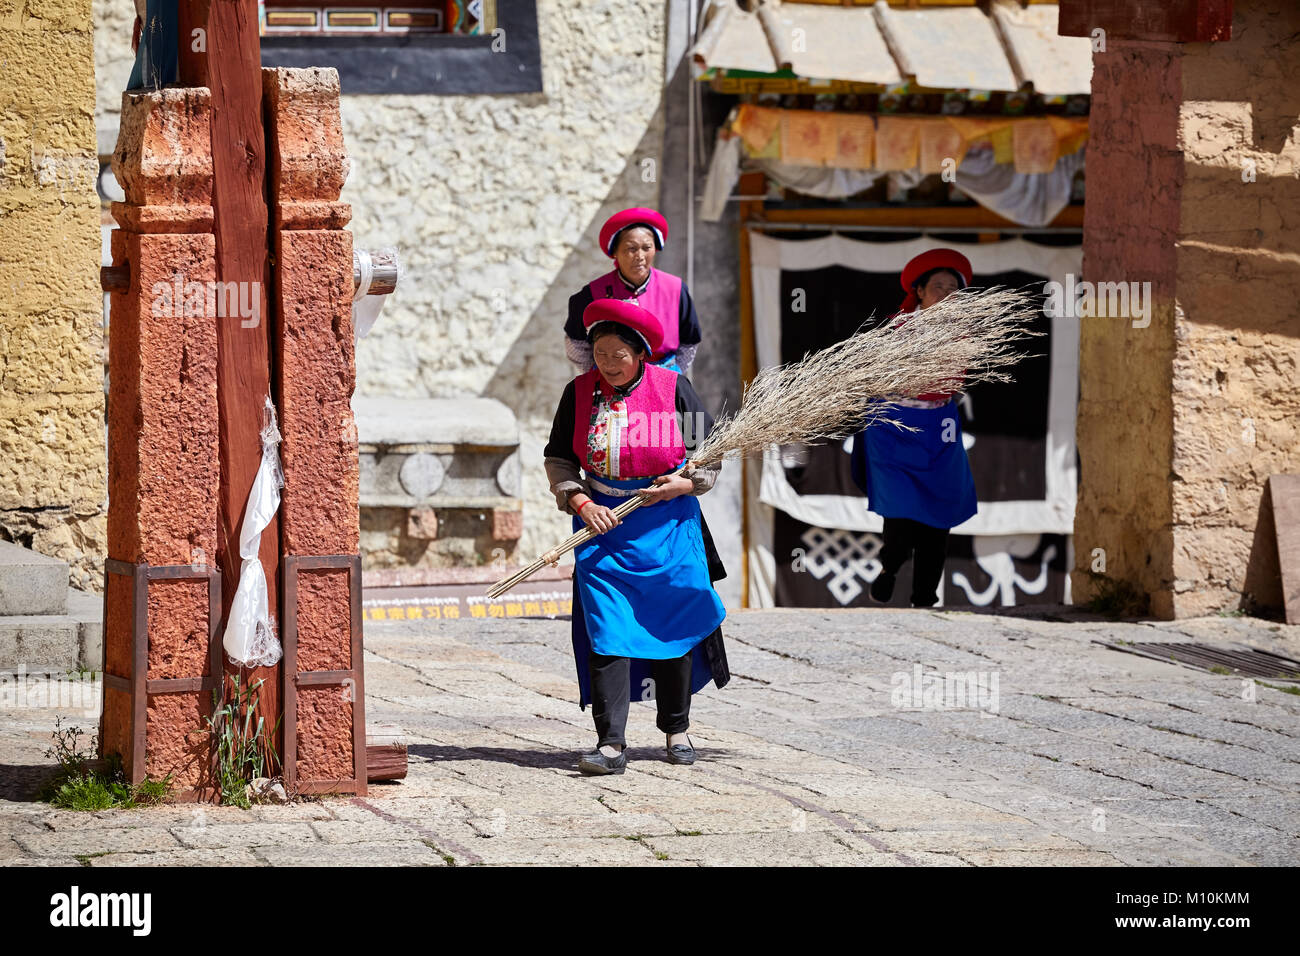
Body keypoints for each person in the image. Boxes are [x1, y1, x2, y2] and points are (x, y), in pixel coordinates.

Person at [544, 298, 729, 775]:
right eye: (600, 353)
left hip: (669, 523)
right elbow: (560, 458)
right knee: (609, 632)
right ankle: (610, 744)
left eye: (618, 354)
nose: (608, 363)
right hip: (603, 526)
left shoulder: (674, 388)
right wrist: (581, 502)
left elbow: (708, 453)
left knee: (675, 624)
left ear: (641, 353)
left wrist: (686, 483)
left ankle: (676, 728)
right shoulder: (579, 393)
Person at [850, 248, 979, 608]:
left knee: (939, 515)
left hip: (939, 428)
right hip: (895, 429)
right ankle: (889, 568)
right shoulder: (895, 330)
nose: (946, 293)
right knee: (902, 516)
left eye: (953, 288)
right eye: (938, 286)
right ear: (920, 291)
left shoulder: (964, 335)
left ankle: (924, 597)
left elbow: (951, 381)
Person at [564, 207, 704, 377]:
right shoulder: (593, 294)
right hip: (610, 381)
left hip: (662, 378)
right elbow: (576, 343)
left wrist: (672, 375)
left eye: (647, 247)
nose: (640, 256)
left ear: (656, 248)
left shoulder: (675, 289)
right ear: (615, 252)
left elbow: (689, 342)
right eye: (631, 249)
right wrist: (603, 374)